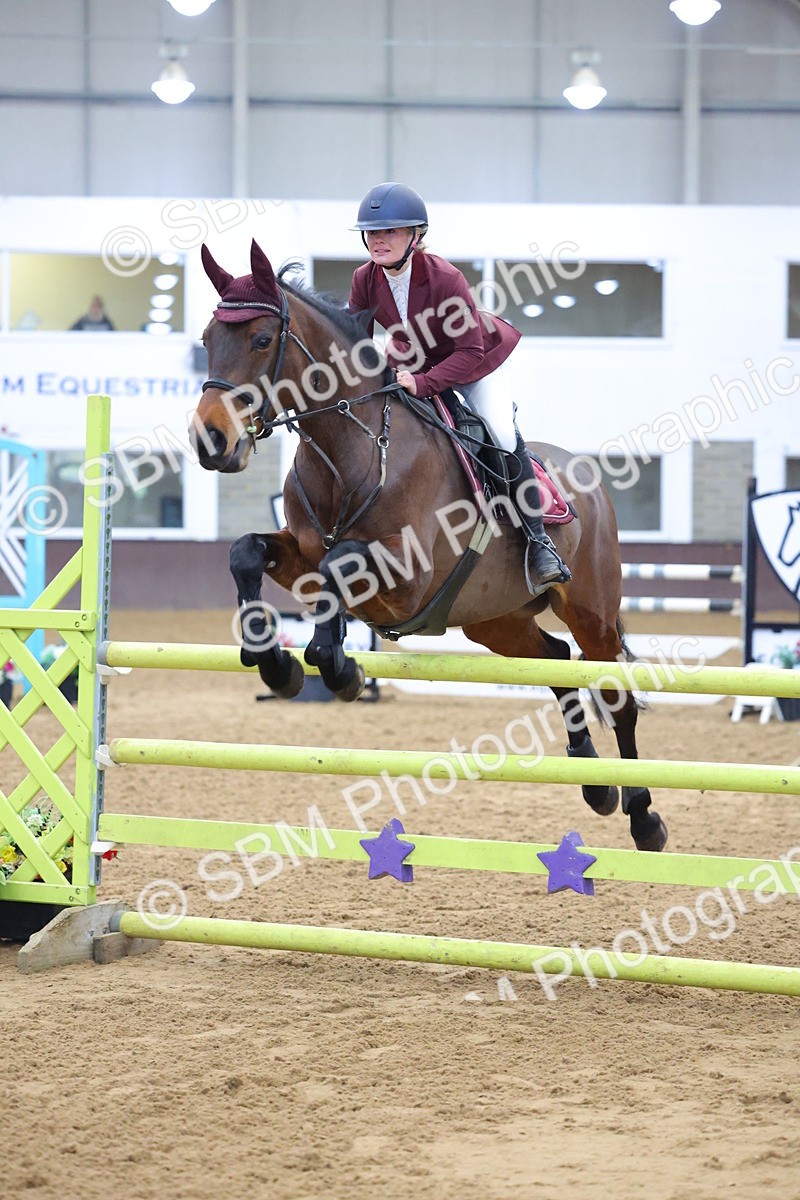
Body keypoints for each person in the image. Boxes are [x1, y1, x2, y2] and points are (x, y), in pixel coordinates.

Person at [348, 181, 570, 596]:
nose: (378, 241)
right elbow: (358, 342)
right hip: (413, 361)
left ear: (416, 235)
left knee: (501, 435)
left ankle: (540, 546)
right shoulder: (364, 278)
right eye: (372, 233)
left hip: (474, 363)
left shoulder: (446, 278)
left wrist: (423, 382)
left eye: (389, 232)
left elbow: (467, 352)